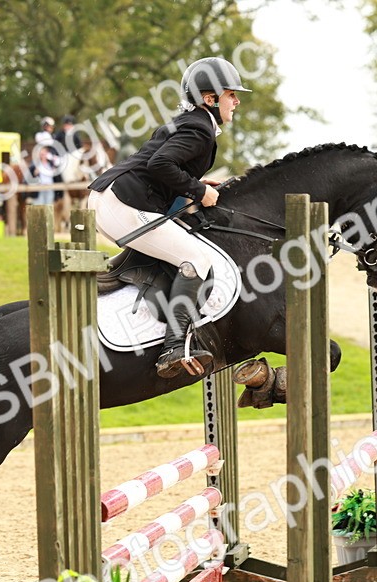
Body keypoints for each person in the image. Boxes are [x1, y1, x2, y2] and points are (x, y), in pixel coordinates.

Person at [88, 56, 249, 378]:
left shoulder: (196, 123)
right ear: (210, 98)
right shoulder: (199, 128)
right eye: (232, 94)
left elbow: (161, 166)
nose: (237, 101)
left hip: (116, 198)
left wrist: (198, 186)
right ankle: (174, 347)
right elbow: (159, 164)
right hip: (123, 203)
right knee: (197, 259)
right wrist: (199, 191)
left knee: (182, 250)